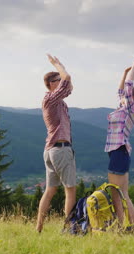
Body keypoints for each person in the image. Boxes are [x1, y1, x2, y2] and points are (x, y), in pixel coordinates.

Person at [105, 57, 134, 233]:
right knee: (123, 193)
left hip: (118, 152)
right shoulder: (125, 109)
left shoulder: (131, 109)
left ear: (132, 99)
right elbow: (120, 91)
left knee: (116, 194)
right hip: (121, 153)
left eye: (127, 96)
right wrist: (123, 73)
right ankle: (132, 226)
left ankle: (121, 227)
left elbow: (127, 88)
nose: (123, 97)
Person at [36, 54, 77, 233]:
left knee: (50, 190)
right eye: (57, 80)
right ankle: (69, 228)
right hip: (60, 150)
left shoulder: (58, 102)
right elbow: (67, 79)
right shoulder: (50, 99)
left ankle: (39, 227)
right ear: (52, 83)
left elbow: (69, 85)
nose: (61, 82)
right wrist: (58, 64)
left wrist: (64, 73)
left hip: (51, 150)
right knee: (70, 189)